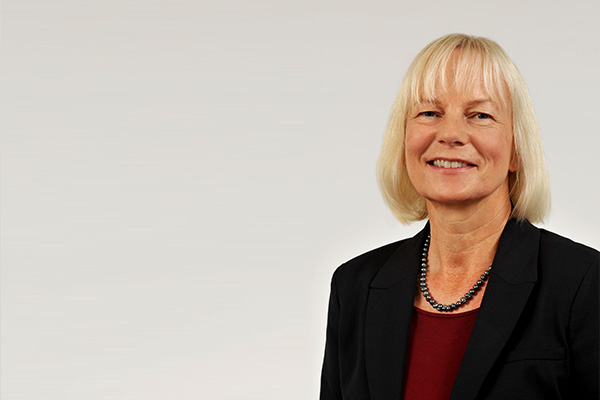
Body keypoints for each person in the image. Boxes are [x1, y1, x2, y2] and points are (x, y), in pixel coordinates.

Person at [320, 34, 599, 400]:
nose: (450, 134)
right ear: (403, 140)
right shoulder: (354, 287)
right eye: (429, 113)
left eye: (480, 115)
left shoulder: (584, 284)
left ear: (516, 150)